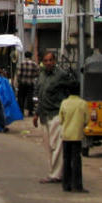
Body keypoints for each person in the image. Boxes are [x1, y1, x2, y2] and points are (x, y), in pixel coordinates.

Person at [34, 51, 69, 183]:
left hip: (56, 114)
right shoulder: (42, 76)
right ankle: (53, 172)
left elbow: (68, 93)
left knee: (57, 146)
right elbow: (40, 96)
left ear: (54, 61)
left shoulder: (61, 76)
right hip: (43, 115)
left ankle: (56, 175)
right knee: (48, 146)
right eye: (45, 60)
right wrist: (36, 114)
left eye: (50, 60)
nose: (48, 63)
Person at [58, 79, 89, 193]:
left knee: (66, 160)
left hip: (66, 136)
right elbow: (86, 120)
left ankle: (66, 185)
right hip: (77, 136)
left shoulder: (64, 103)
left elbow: (61, 120)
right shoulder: (82, 103)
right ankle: (77, 185)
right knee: (76, 160)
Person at [16, 51, 37, 117]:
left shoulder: (21, 64)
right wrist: (32, 77)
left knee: (21, 97)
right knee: (30, 97)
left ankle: (21, 111)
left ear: (25, 56)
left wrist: (19, 81)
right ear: (31, 56)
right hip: (30, 83)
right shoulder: (34, 64)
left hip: (22, 83)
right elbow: (37, 73)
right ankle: (30, 112)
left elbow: (18, 74)